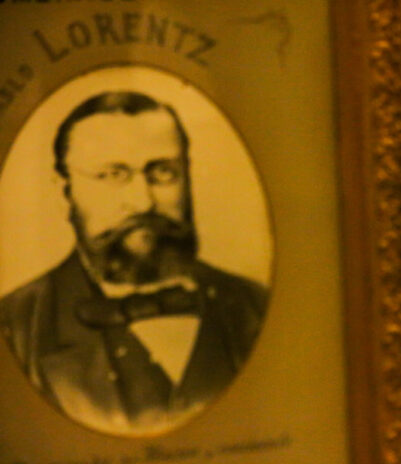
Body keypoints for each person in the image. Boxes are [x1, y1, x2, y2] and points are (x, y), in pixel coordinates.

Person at [0, 91, 268, 435]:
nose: (143, 202)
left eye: (163, 173)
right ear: (64, 193)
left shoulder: (254, 307)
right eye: (113, 174)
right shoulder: (16, 327)